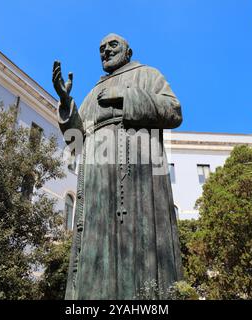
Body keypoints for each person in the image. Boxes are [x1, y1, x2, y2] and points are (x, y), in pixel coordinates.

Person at [53, 33, 183, 300]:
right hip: (97, 179)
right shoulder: (91, 95)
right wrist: (67, 104)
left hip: (138, 173)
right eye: (101, 48)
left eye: (113, 45)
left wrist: (124, 96)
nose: (106, 51)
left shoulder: (148, 75)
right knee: (96, 246)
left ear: (129, 51)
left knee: (137, 243)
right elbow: (75, 141)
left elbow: (174, 111)